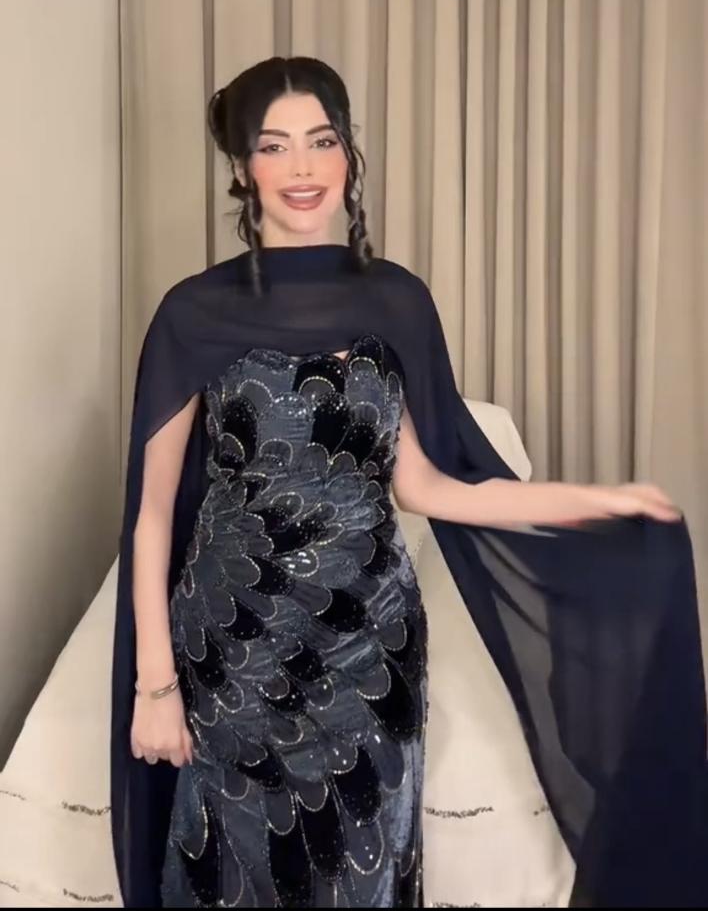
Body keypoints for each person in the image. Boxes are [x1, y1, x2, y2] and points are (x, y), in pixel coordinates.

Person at [110, 56, 708, 909]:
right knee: (230, 874)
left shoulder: (396, 300)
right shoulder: (191, 312)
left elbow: (432, 486)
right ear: (243, 168)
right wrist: (156, 687)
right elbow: (152, 516)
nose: (303, 167)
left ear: (349, 153)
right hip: (233, 652)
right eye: (275, 146)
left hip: (369, 651)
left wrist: (594, 501)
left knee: (364, 870)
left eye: (322, 141)